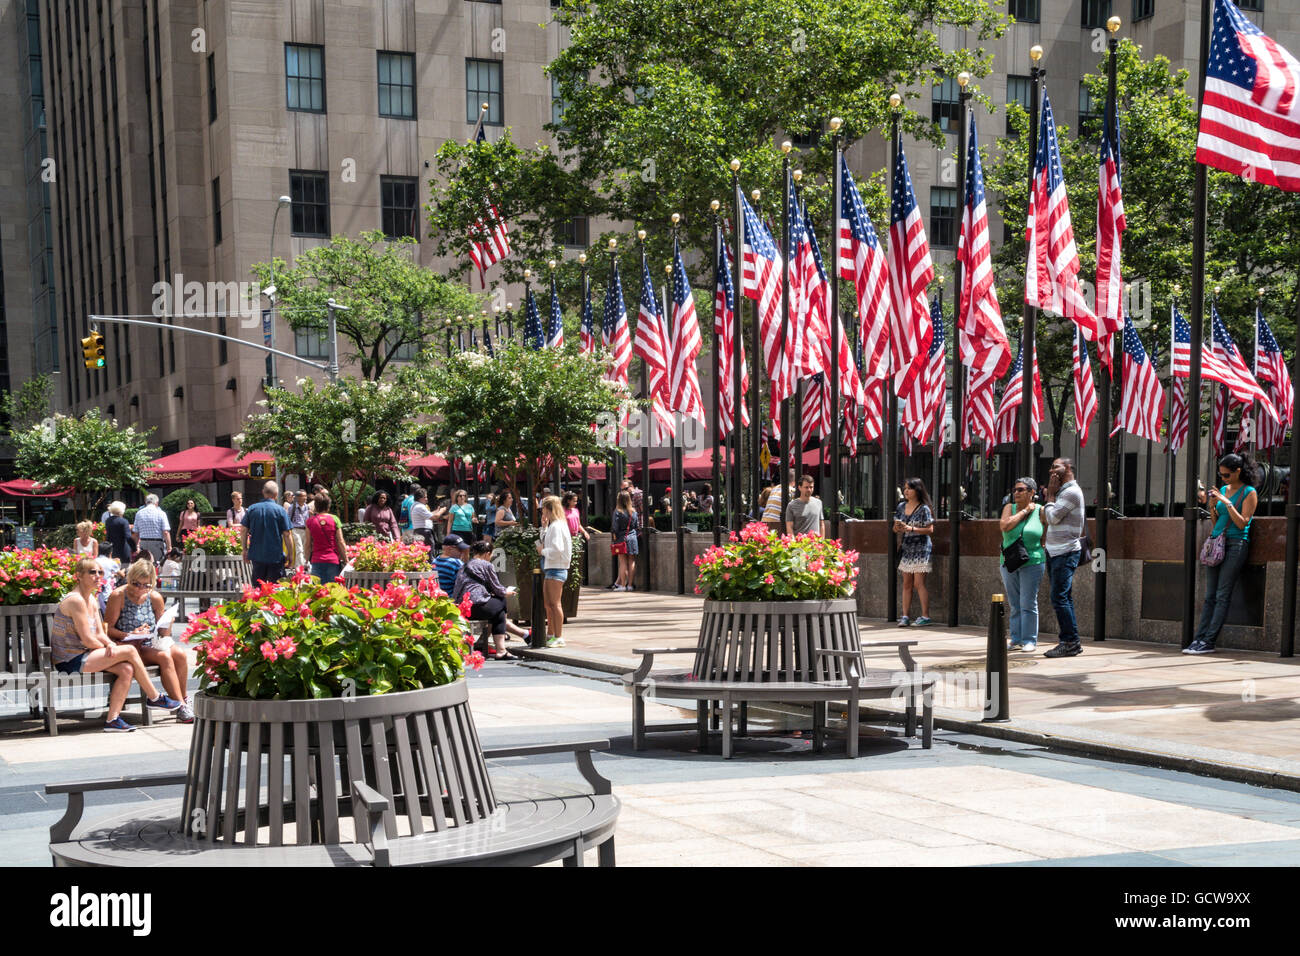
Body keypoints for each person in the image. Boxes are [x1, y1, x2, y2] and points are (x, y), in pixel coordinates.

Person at [49, 556, 181, 732]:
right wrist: (111, 646)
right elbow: (88, 640)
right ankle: (155, 697)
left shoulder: (91, 599)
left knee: (126, 669)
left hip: (86, 654)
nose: (97, 576)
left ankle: (113, 720)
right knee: (129, 651)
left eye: (100, 572)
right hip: (70, 659)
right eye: (92, 572)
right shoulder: (76, 600)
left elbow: (100, 634)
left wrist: (109, 643)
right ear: (78, 576)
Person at [1188, 453, 1260, 655]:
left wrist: (1226, 503)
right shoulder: (1223, 490)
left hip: (1236, 544)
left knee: (1222, 595)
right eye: (1221, 475)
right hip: (1216, 542)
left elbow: (1242, 522)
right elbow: (1216, 522)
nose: (1223, 479)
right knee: (1209, 596)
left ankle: (1209, 641)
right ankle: (1199, 639)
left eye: (1227, 475)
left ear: (1238, 471)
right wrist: (1212, 507)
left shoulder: (1249, 492)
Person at [105, 559, 193, 723]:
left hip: (150, 642)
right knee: (164, 657)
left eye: (146, 585)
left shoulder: (154, 597)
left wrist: (168, 622)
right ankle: (180, 706)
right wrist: (128, 634)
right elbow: (107, 629)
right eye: (136, 584)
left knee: (179, 654)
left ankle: (184, 699)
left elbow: (164, 632)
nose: (140, 589)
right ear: (129, 579)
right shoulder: (118, 596)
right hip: (129, 645)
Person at [452, 541, 531, 660]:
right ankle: (500, 650)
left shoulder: (463, 566)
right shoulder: (486, 565)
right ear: (487, 554)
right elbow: (497, 588)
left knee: (497, 610)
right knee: (500, 602)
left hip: (463, 607)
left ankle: (495, 647)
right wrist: (506, 592)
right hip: (478, 606)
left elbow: (458, 589)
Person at [1041, 458, 1087, 658]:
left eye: (1055, 466)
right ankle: (1071, 642)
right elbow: (1047, 516)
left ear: (1068, 468)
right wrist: (1050, 501)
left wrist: (1050, 496)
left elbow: (1050, 517)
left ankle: (1069, 642)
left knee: (1059, 598)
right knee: (1063, 597)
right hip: (1055, 551)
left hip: (1065, 551)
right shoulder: (1063, 492)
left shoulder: (1071, 492)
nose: (1051, 470)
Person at [999, 477, 1047, 653]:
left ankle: (1029, 640)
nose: (1016, 493)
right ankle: (1016, 638)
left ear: (1032, 492)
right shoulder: (1009, 508)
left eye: (1021, 490)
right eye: (1015, 490)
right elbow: (1005, 526)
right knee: (1014, 602)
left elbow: (1045, 532)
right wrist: (1025, 511)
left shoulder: (1041, 511)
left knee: (1028, 602)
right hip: (1009, 561)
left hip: (1033, 560)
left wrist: (1041, 544)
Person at [893, 478, 934, 627]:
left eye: (909, 488)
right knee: (906, 583)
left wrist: (911, 528)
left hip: (922, 548)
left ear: (917, 490)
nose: (906, 491)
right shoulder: (901, 506)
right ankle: (905, 616)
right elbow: (894, 528)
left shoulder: (924, 508)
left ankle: (925, 616)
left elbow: (930, 530)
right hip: (907, 547)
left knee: (919, 583)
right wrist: (898, 527)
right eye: (905, 488)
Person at [537, 496, 573, 648]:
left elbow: (557, 548)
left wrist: (542, 551)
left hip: (556, 567)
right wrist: (544, 528)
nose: (542, 511)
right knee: (549, 604)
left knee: (554, 604)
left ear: (548, 508)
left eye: (543, 508)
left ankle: (558, 636)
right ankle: (551, 634)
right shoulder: (556, 525)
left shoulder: (557, 526)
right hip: (553, 567)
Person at [242, 480, 293, 584]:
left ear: (263, 492)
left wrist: (244, 549)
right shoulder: (280, 510)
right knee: (277, 591)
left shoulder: (252, 509)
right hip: (276, 556)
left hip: (257, 555)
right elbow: (287, 535)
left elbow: (243, 530)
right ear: (276, 494)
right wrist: (290, 555)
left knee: (258, 590)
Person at [306, 493, 347, 584]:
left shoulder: (310, 521)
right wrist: (346, 560)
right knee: (332, 591)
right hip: (333, 560)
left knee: (317, 592)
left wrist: (305, 561)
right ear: (328, 505)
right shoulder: (335, 519)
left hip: (316, 560)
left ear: (316, 506)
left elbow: (308, 544)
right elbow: (340, 541)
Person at [611, 490, 640, 591]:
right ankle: (630, 585)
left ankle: (623, 585)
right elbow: (636, 526)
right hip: (633, 538)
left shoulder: (617, 512)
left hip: (621, 538)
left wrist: (615, 538)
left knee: (622, 562)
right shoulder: (634, 511)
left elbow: (615, 527)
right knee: (632, 561)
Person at [132, 493, 172, 563]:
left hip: (143, 543)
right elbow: (165, 532)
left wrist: (135, 547)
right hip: (157, 543)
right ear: (156, 503)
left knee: (144, 565)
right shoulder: (161, 513)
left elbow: (136, 533)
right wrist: (169, 547)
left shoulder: (139, 513)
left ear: (146, 502)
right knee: (157, 564)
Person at [286, 489, 310, 567]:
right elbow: (288, 519)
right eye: (303, 496)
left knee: (304, 548)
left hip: (305, 530)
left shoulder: (307, 507)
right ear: (298, 497)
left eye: (306, 496)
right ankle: (301, 567)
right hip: (295, 530)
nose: (305, 498)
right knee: (299, 548)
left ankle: (298, 567)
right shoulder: (291, 507)